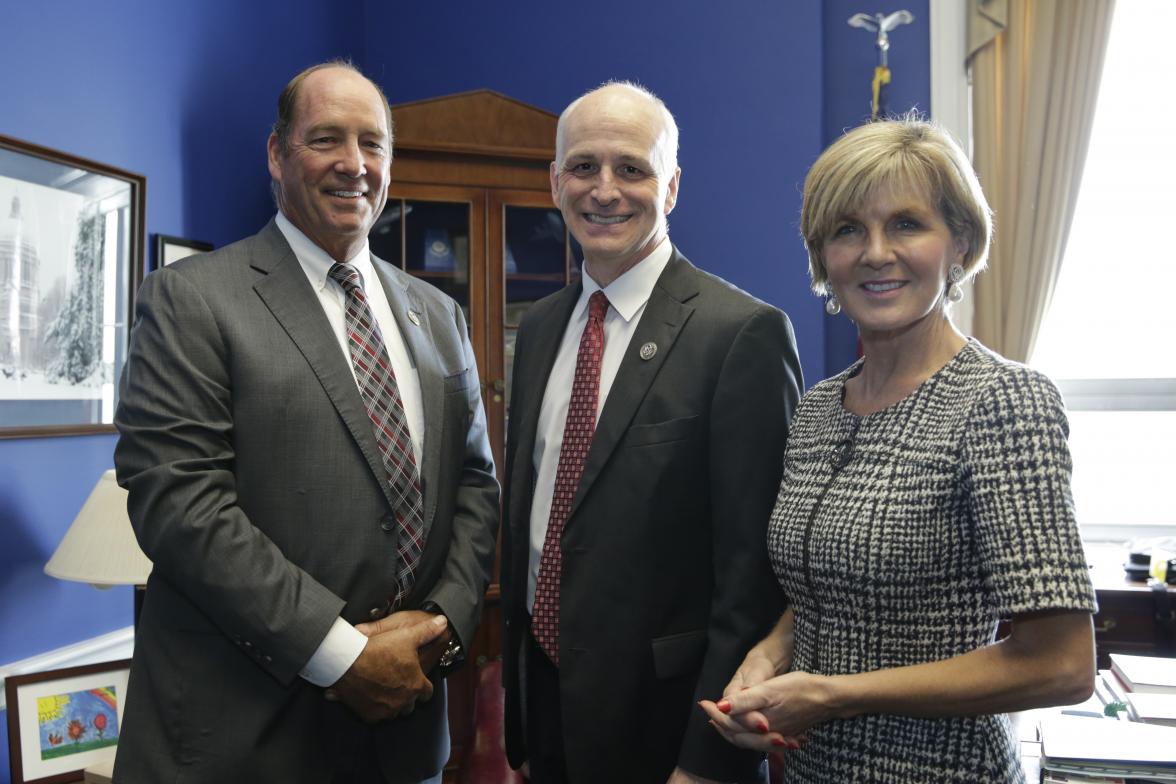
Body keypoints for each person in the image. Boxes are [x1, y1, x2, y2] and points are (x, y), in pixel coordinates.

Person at [112, 61, 499, 783]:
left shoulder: (439, 316)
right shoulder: (191, 300)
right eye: (327, 139)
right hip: (244, 743)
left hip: (405, 743)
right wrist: (340, 655)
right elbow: (181, 507)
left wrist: (442, 624)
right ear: (277, 153)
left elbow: (477, 486)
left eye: (373, 143)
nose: (354, 164)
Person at [701, 117, 1096, 782]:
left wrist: (830, 695)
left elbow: (1060, 664)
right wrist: (770, 654)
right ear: (822, 256)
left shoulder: (1003, 402)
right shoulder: (820, 408)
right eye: (848, 229)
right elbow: (832, 583)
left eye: (907, 224)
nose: (875, 252)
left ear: (960, 244)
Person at [499, 81, 803, 784]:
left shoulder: (740, 334)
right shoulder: (541, 326)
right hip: (546, 713)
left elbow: (752, 577)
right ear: (554, 182)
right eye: (584, 167)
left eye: (631, 168)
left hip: (668, 730)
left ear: (670, 188)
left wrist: (707, 758)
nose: (604, 190)